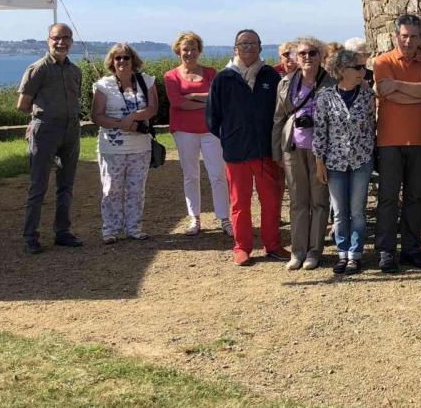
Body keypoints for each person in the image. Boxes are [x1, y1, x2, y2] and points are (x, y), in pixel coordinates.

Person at [207, 29, 285, 266]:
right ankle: (242, 247)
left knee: (271, 200)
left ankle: (273, 245)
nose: (248, 47)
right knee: (239, 203)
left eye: (253, 43)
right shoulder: (223, 78)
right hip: (237, 152)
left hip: (265, 152)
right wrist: (230, 137)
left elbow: (280, 113)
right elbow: (212, 118)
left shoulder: (271, 76)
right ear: (235, 48)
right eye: (243, 43)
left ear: (261, 47)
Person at [373, 14, 421, 272]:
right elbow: (384, 90)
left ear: (420, 38)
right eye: (404, 35)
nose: (408, 41)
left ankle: (411, 249)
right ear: (395, 36)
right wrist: (418, 93)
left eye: (413, 36)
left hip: (419, 141)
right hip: (389, 141)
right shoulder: (383, 61)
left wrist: (398, 88)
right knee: (388, 198)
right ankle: (386, 251)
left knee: (417, 197)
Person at [15, 24, 84, 254]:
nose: (61, 42)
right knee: (38, 186)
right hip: (45, 131)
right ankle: (30, 237)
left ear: (71, 42)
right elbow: (23, 105)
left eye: (66, 38)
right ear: (48, 40)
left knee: (66, 185)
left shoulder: (75, 71)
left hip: (71, 131)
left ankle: (62, 232)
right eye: (56, 38)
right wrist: (37, 123)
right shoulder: (38, 69)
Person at [272, 37, 335, 270]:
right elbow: (278, 118)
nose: (307, 57)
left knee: (319, 201)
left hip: (322, 151)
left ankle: (314, 252)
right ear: (296, 58)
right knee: (298, 201)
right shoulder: (286, 83)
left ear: (320, 55)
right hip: (293, 147)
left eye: (312, 53)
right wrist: (276, 150)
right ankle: (297, 252)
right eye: (302, 54)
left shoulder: (331, 82)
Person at [313, 48, 376, 276]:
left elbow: (372, 127)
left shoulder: (369, 96)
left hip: (361, 161)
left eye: (363, 67)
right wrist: (319, 162)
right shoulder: (325, 97)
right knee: (339, 212)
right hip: (335, 162)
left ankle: (355, 255)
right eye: (358, 68)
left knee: (357, 210)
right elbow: (320, 132)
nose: (363, 71)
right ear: (342, 70)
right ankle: (342, 253)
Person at [164, 31, 231, 236]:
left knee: (217, 174)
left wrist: (191, 95)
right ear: (178, 51)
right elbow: (177, 102)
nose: (189, 52)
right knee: (190, 175)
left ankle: (224, 218)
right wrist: (205, 101)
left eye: (193, 48)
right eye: (185, 49)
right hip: (184, 131)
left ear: (199, 50)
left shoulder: (211, 72)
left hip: (211, 131)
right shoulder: (171, 75)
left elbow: (218, 97)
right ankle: (194, 217)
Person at [91, 43, 158, 243]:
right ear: (112, 62)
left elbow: (153, 108)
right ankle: (110, 230)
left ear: (133, 60)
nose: (122, 61)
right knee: (111, 189)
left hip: (141, 147)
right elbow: (97, 116)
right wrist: (123, 124)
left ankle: (134, 228)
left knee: (137, 189)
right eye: (117, 58)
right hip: (112, 148)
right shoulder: (103, 85)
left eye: (125, 57)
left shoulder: (147, 81)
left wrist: (135, 116)